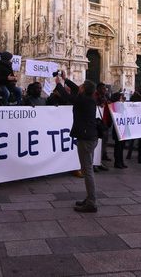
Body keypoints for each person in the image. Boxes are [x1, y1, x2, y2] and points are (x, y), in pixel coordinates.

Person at [54, 73, 98, 213]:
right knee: (87, 168)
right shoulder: (88, 99)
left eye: (82, 85)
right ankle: (89, 198)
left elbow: (68, 97)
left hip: (86, 140)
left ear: (84, 89)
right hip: (89, 137)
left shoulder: (84, 101)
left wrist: (59, 83)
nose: (79, 86)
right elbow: (74, 90)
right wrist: (66, 79)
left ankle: (91, 202)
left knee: (87, 170)